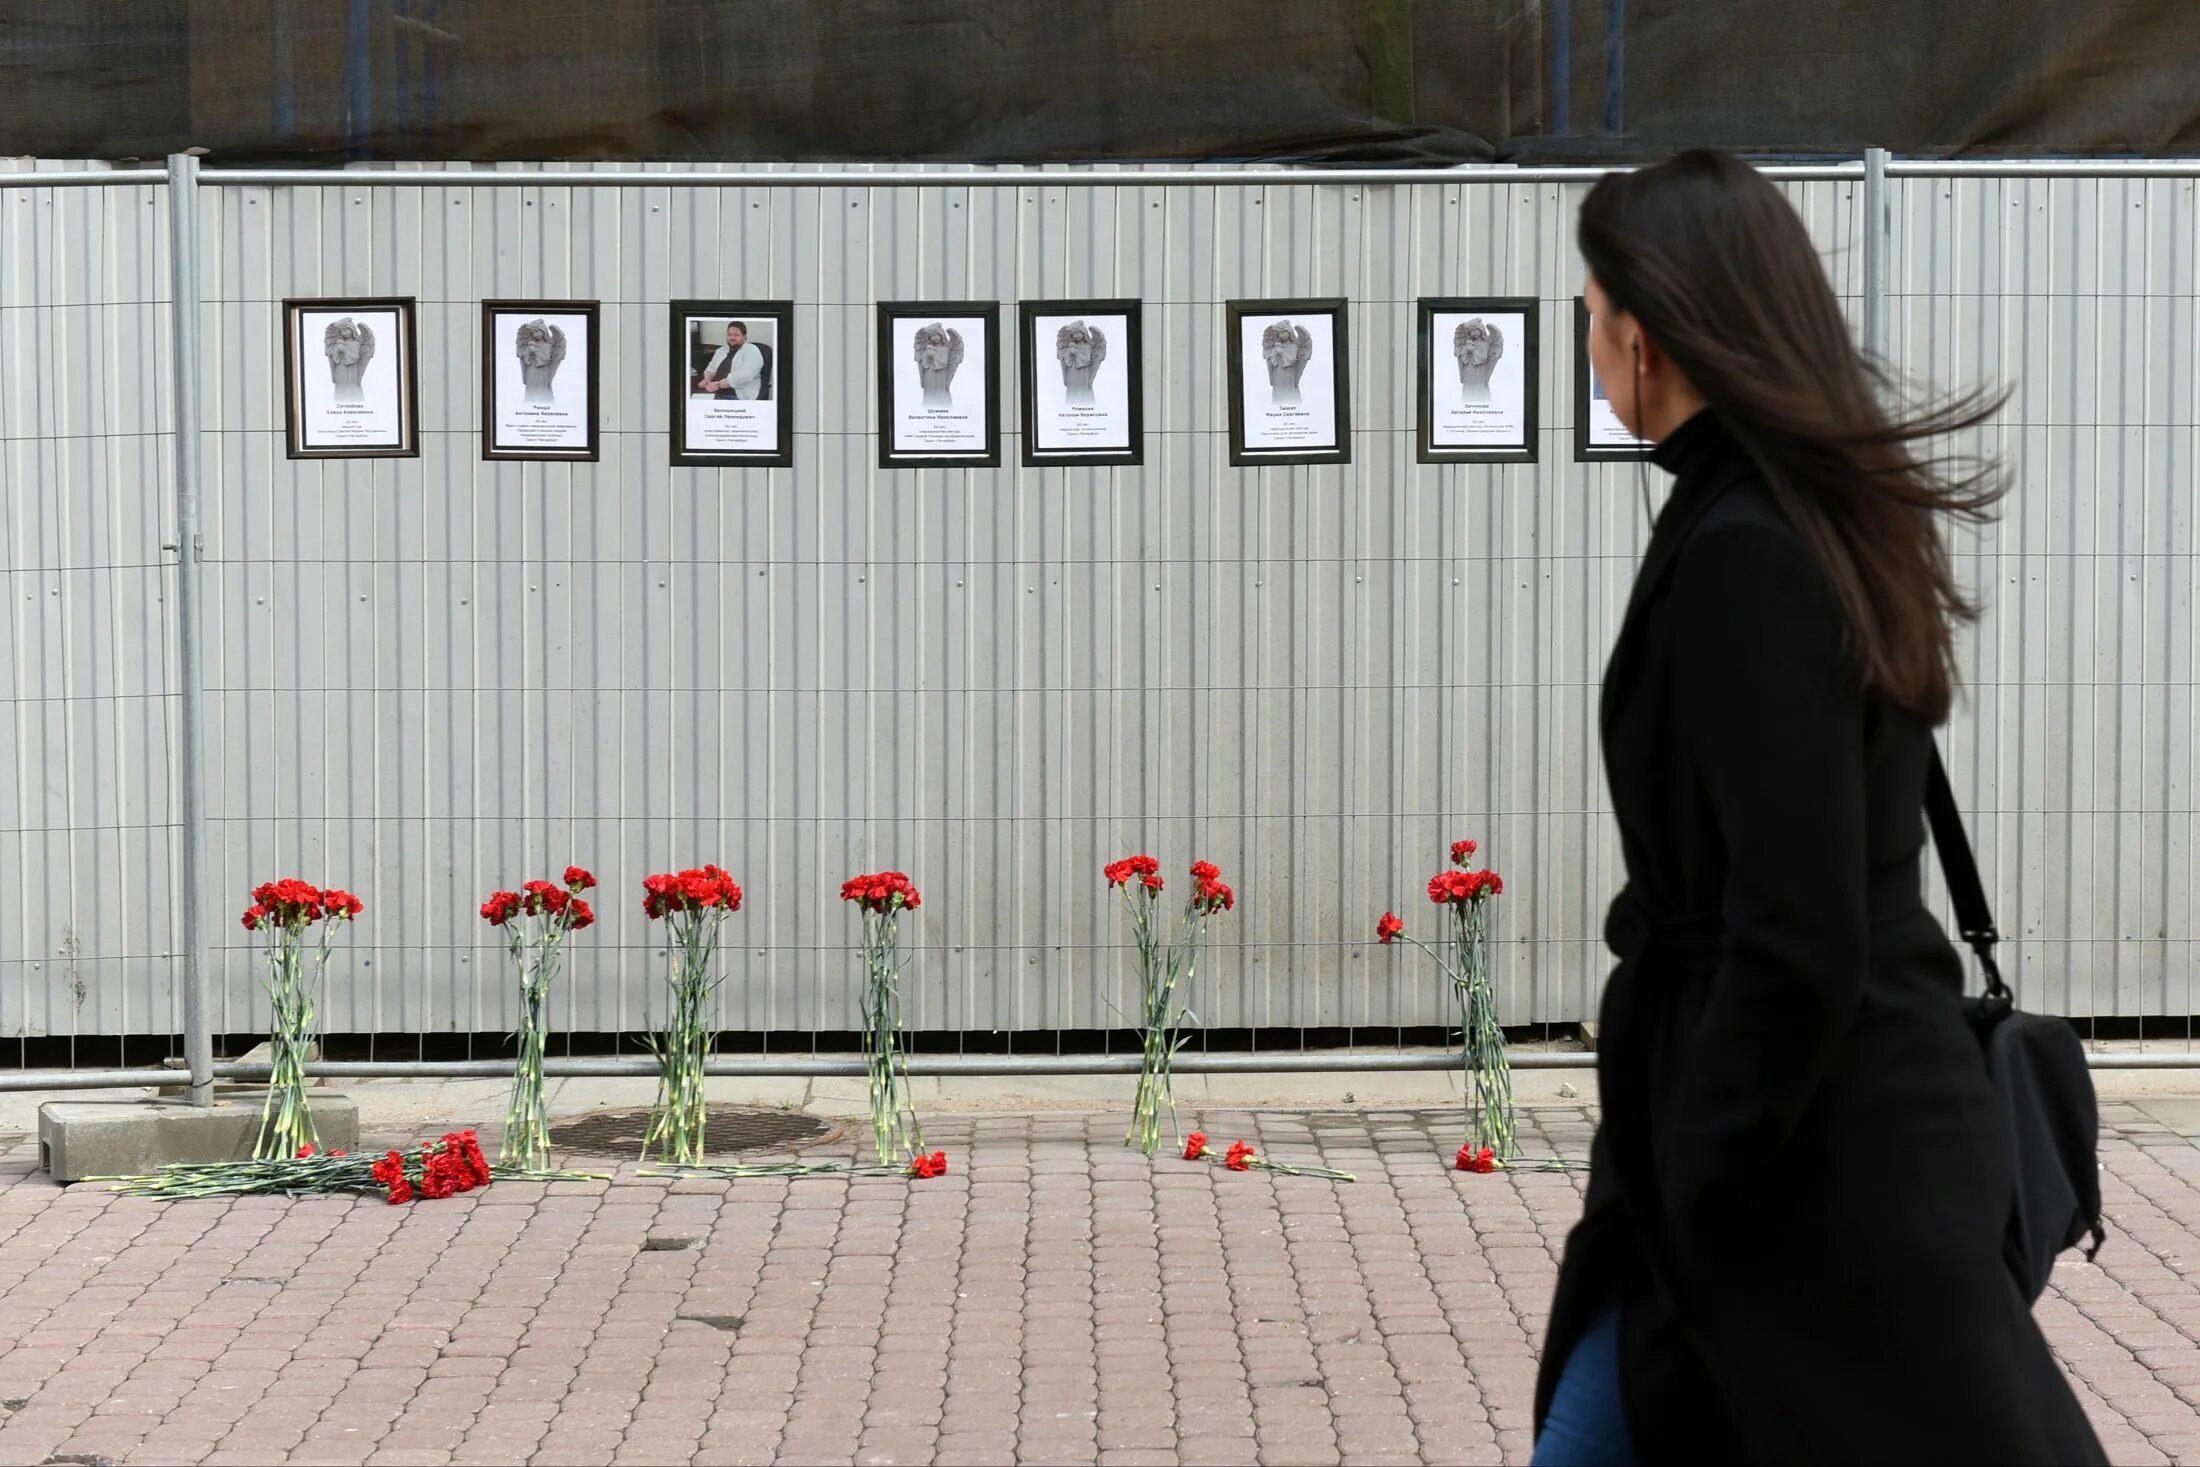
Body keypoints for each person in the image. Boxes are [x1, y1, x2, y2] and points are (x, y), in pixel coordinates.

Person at [1532, 149, 2105, 1466]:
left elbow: (1797, 930)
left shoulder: (1749, 552)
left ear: (1652, 330)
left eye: (1592, 301)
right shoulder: (1802, 513)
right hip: (1814, 1151)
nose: (1584, 327)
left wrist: (1698, 1177)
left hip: (1808, 1169)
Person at [696, 321, 770, 401]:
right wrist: (707, 379)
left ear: (744, 337)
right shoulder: (721, 350)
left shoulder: (752, 350)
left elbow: (747, 374)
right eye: (730, 335)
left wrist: (719, 385)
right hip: (714, 392)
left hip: (737, 396)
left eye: (736, 335)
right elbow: (712, 367)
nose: (732, 337)